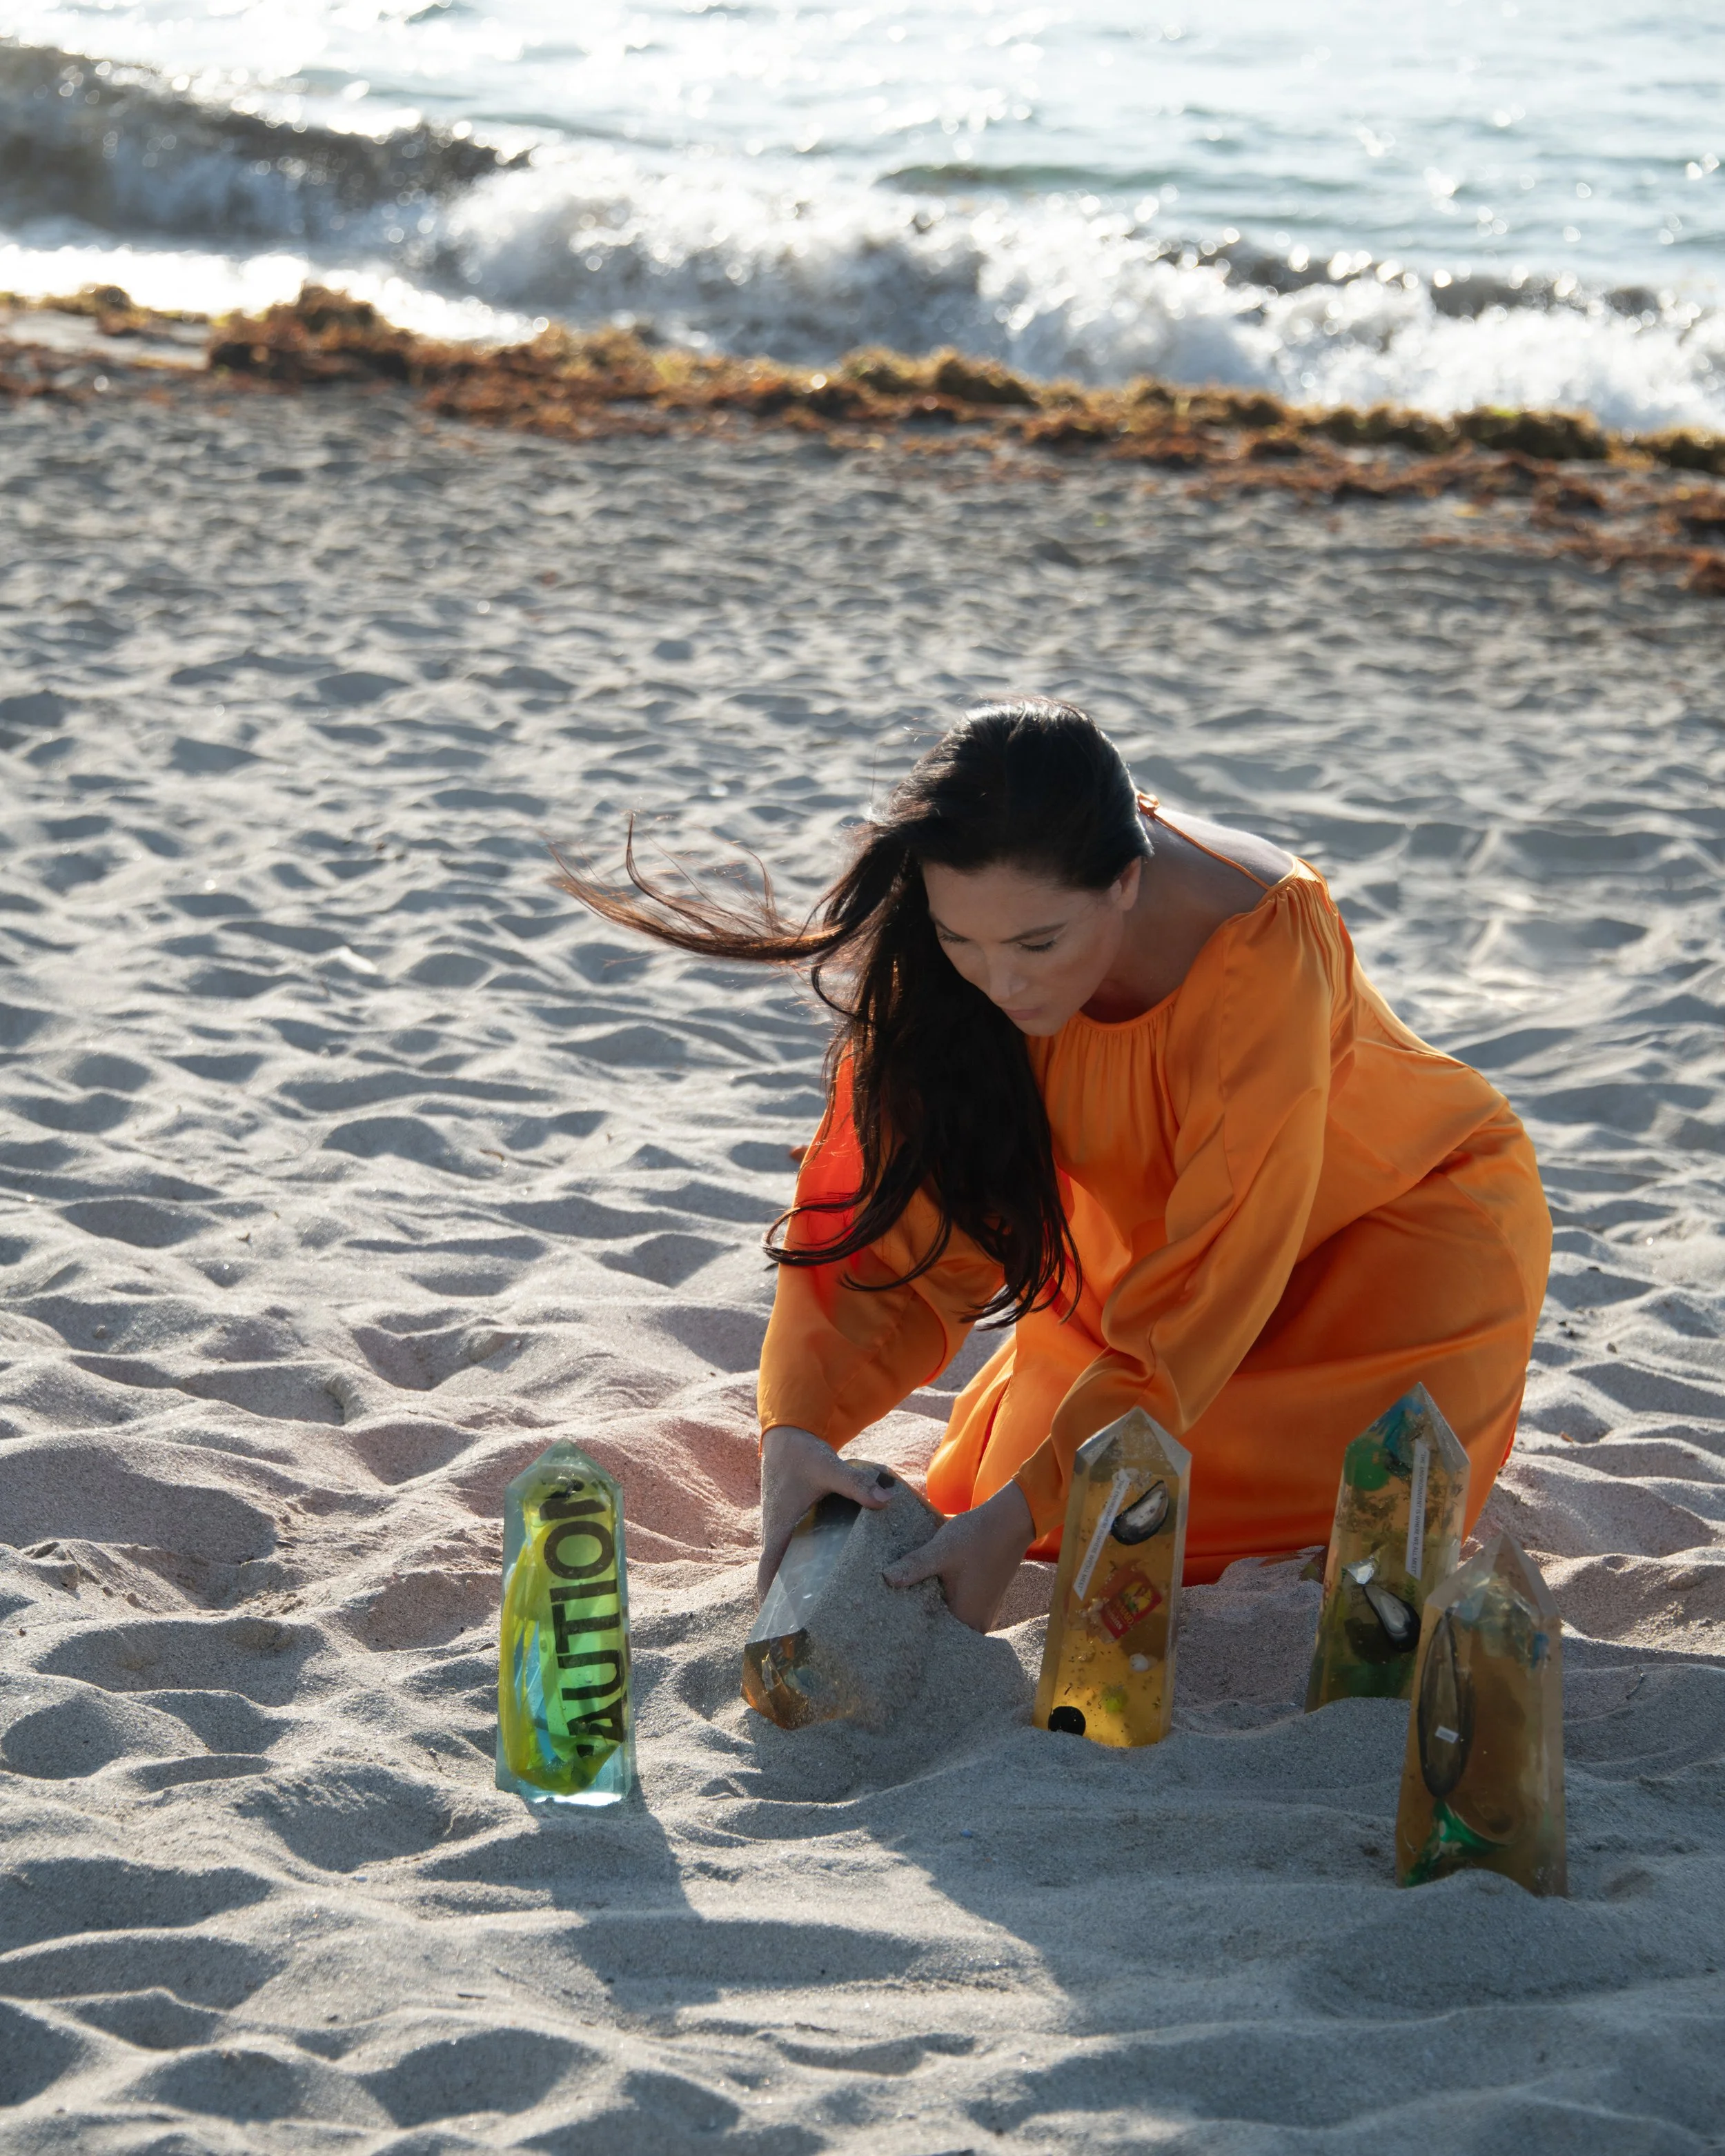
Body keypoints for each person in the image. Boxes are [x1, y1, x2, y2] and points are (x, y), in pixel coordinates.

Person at [555, 698, 1551, 1633]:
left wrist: (1028, 1502)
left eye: (1039, 941)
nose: (1002, 981)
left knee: (1133, 1524)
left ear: (1126, 879)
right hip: (1151, 1277)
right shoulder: (982, 934)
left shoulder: (1260, 942)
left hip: (1388, 1255)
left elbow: (1225, 1260)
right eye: (961, 940)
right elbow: (890, 1215)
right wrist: (797, 1432)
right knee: (1007, 1510)